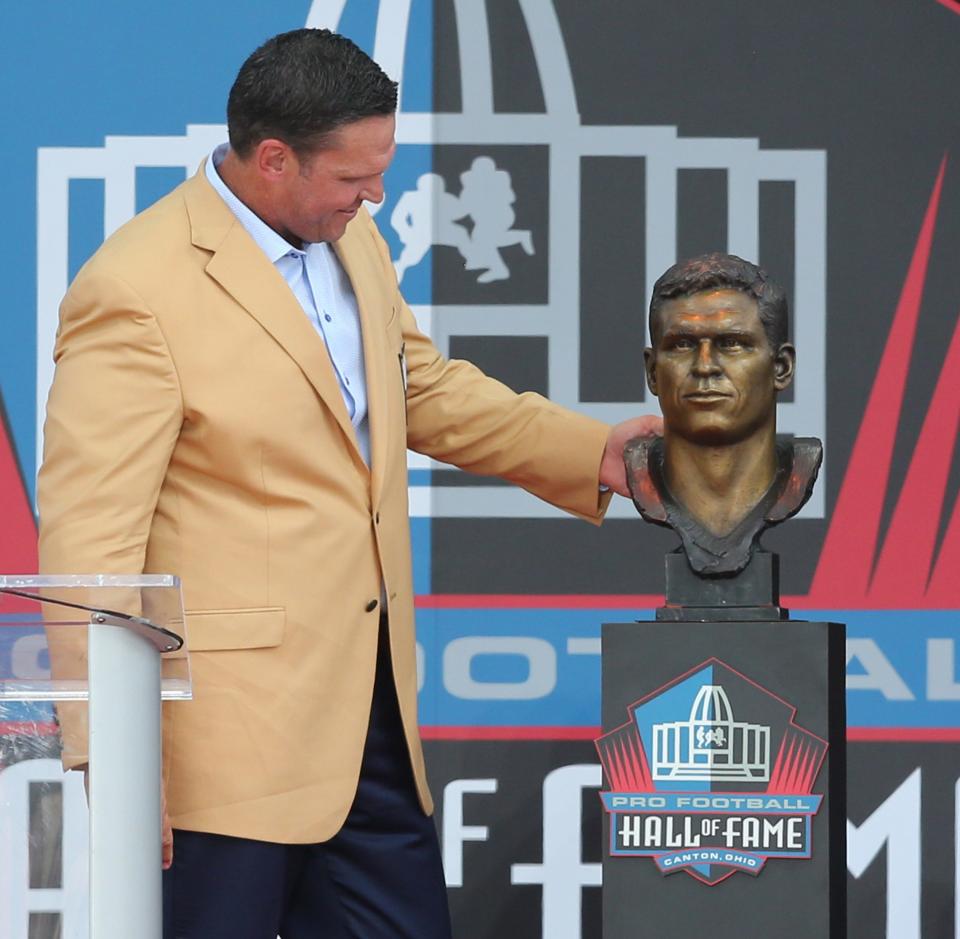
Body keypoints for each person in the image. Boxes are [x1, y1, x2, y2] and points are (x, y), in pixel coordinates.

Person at [37, 28, 660, 939]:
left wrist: (593, 452)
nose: (376, 197)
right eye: (353, 178)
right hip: (221, 760)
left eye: (381, 170)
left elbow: (421, 388)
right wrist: (117, 763)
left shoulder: (350, 238)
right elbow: (91, 545)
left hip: (369, 732)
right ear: (274, 159)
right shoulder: (134, 289)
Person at [625, 252, 820, 575]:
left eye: (732, 343)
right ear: (652, 372)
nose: (705, 367)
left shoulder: (796, 474)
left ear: (781, 367)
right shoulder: (643, 476)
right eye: (682, 345)